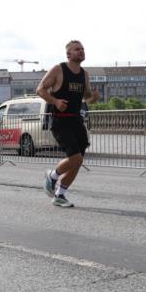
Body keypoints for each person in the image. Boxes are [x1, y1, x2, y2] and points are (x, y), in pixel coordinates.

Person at [36, 40, 100, 208]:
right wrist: (55, 101)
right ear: (68, 54)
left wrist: (94, 97)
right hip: (60, 120)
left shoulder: (84, 74)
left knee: (78, 161)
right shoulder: (58, 69)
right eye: (77, 49)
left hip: (76, 121)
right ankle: (52, 176)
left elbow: (87, 97)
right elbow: (40, 89)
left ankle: (60, 195)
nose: (81, 51)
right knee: (75, 157)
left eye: (83, 49)